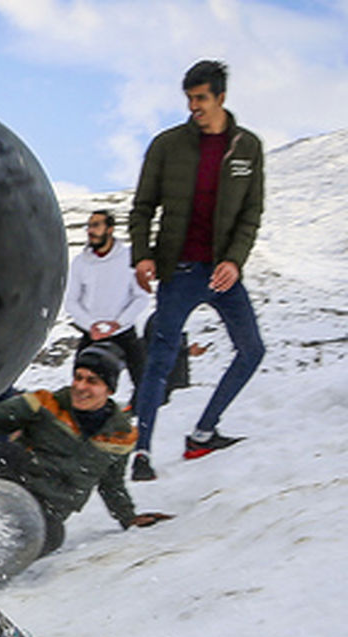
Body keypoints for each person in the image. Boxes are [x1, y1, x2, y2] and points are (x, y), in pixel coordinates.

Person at [128, 60, 265, 481]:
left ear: (221, 97)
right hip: (180, 271)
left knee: (252, 351)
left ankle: (203, 433)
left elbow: (251, 213)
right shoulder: (167, 145)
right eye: (189, 99)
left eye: (201, 98)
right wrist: (143, 255)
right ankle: (142, 452)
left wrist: (234, 261)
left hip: (223, 274)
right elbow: (142, 207)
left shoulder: (247, 147)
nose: (194, 107)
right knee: (160, 361)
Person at [0, 346, 172, 556]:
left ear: (108, 390)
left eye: (92, 381)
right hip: (8, 482)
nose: (80, 387)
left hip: (45, 510)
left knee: (52, 537)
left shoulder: (120, 436)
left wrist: (128, 517)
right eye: (78, 377)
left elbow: (112, 484)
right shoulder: (45, 404)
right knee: (5, 453)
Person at [66, 210, 150, 408]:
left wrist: (118, 323)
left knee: (144, 384)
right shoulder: (80, 262)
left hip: (124, 332)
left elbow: (141, 297)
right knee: (80, 385)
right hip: (91, 333)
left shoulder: (129, 257)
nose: (90, 231)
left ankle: (137, 419)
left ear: (110, 229)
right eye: (89, 226)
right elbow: (71, 302)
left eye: (96, 225)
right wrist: (91, 325)